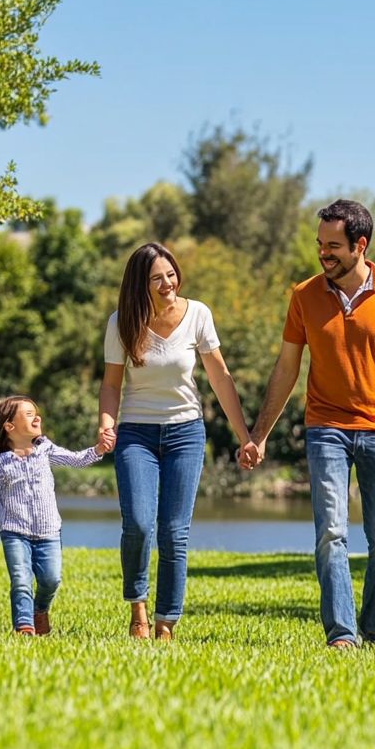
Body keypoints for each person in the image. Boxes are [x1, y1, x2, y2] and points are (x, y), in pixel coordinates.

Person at [239, 199, 375, 648]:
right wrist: (259, 435)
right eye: (319, 244)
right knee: (331, 531)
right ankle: (342, 634)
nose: (323, 254)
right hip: (325, 427)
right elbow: (286, 368)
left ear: (360, 245)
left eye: (333, 246)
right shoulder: (305, 296)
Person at [97, 242, 251, 641]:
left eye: (171, 274)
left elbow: (219, 377)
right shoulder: (122, 322)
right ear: (140, 285)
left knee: (173, 531)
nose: (168, 283)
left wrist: (245, 436)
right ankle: (138, 610)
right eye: (156, 278)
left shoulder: (198, 314)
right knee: (138, 525)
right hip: (136, 433)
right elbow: (111, 384)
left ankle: (166, 621)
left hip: (186, 431)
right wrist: (106, 423)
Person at [0, 395, 113, 636]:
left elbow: (76, 460)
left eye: (35, 412)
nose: (37, 416)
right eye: (28, 414)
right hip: (14, 532)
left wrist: (98, 449)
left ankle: (40, 610)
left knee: (51, 580)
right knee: (21, 579)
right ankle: (24, 626)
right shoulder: (0, 465)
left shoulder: (45, 451)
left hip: (49, 531)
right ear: (9, 427)